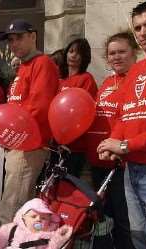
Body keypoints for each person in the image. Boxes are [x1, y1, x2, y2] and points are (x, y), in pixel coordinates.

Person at [97, 1, 146, 248]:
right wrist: (111, 142)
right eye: (138, 27)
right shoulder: (136, 70)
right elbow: (126, 115)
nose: (143, 32)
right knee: (137, 238)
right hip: (131, 168)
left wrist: (124, 145)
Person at [0, 19, 59, 224]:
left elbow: (38, 107)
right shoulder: (24, 67)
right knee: (15, 200)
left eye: (19, 38)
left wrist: (9, 131)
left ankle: (7, 242)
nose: (13, 44)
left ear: (33, 36)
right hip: (18, 142)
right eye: (10, 40)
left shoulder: (42, 63)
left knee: (13, 203)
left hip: (29, 144)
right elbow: (15, 105)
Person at [85, 32, 138, 249]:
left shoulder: (137, 79)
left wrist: (116, 145)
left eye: (122, 52)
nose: (116, 57)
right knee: (105, 218)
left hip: (120, 163)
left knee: (124, 221)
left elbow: (129, 118)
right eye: (112, 53)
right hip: (98, 161)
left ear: (134, 52)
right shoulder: (107, 82)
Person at [58, 38, 98, 177]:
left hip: (75, 145)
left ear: (84, 57)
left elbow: (84, 111)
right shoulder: (60, 81)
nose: (73, 55)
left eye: (78, 53)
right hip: (56, 143)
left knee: (69, 184)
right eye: (71, 51)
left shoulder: (86, 79)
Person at [0, 198, 72, 249]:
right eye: (33, 217)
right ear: (24, 218)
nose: (38, 220)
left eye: (43, 218)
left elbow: (53, 246)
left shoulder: (48, 236)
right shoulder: (14, 229)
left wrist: (60, 238)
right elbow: (2, 235)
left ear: (49, 221)